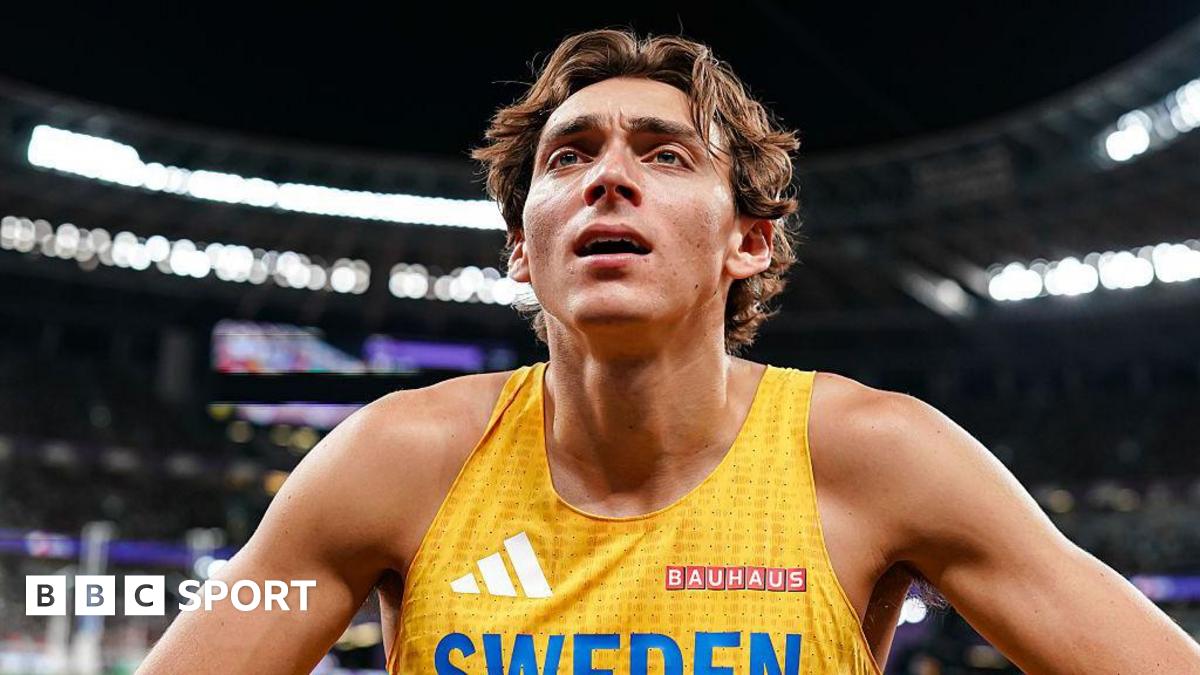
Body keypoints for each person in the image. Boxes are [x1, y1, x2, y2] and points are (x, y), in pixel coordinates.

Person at [138, 30, 1200, 674]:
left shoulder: (880, 456)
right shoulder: (393, 461)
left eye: (666, 156)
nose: (609, 177)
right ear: (522, 249)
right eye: (569, 158)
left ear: (750, 241)